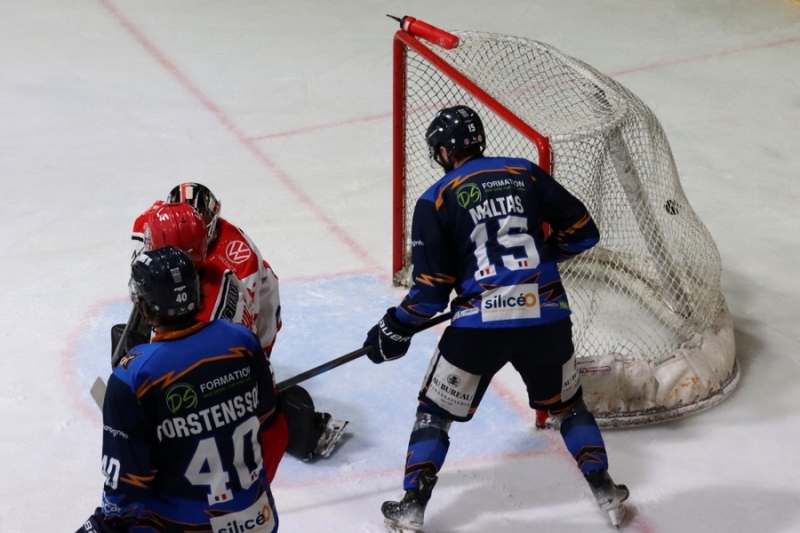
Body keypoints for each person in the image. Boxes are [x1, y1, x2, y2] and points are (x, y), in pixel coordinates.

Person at [363, 106, 629, 531]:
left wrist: (395, 326)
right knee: (569, 407)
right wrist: (541, 258)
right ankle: (605, 489)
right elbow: (583, 231)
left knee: (435, 413)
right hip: (547, 318)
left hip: (478, 330)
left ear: (446, 151)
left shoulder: (435, 198)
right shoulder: (524, 172)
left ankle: (412, 505)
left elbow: (431, 292)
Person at [77, 246, 286, 533]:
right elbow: (266, 412)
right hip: (258, 520)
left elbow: (128, 485)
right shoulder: (242, 340)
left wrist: (102, 524)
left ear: (146, 306)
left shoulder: (135, 377)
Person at [128, 189, 347, 459]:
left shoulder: (238, 264)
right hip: (228, 334)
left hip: (256, 314)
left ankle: (288, 421)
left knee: (235, 375)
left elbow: (244, 334)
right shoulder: (212, 272)